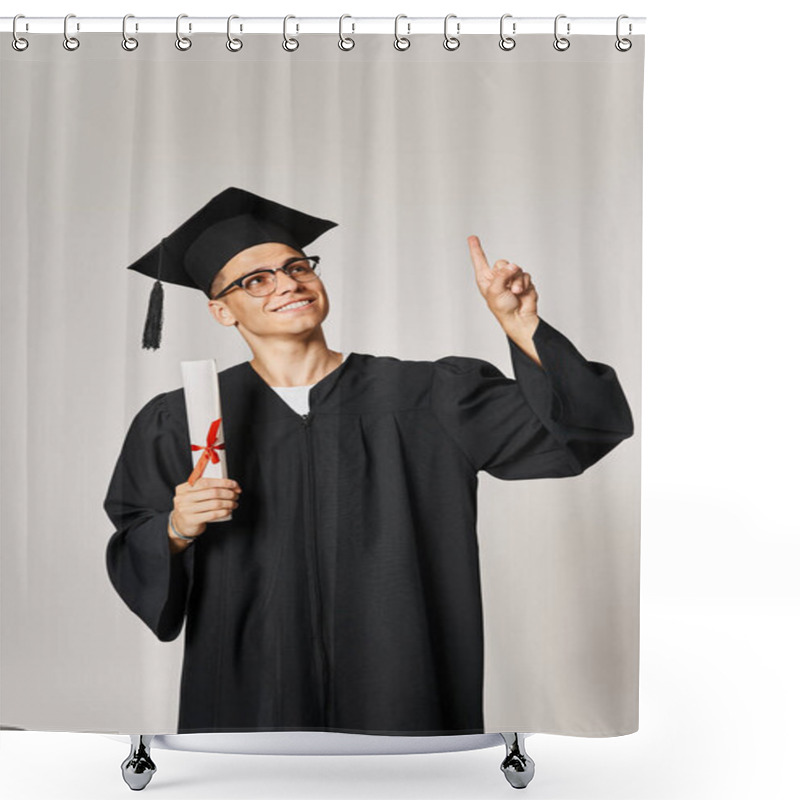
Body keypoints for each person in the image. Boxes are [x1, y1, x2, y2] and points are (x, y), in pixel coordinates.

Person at [104, 186, 634, 735]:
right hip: (253, 683)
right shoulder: (185, 420)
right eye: (255, 280)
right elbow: (134, 540)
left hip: (401, 675)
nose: (287, 283)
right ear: (220, 310)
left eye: (296, 267)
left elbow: (583, 431)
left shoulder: (429, 395)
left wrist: (520, 325)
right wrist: (174, 529)